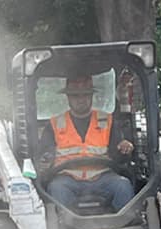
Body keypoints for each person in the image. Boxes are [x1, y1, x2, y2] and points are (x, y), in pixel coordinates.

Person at [38, 75, 135, 212]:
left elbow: (117, 156)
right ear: (68, 98)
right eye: (76, 96)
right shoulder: (54, 124)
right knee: (56, 188)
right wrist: (46, 162)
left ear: (91, 96)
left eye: (85, 95)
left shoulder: (107, 121)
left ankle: (126, 226)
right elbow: (45, 154)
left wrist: (124, 149)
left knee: (123, 186)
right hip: (67, 178)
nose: (81, 99)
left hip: (103, 176)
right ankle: (63, 227)